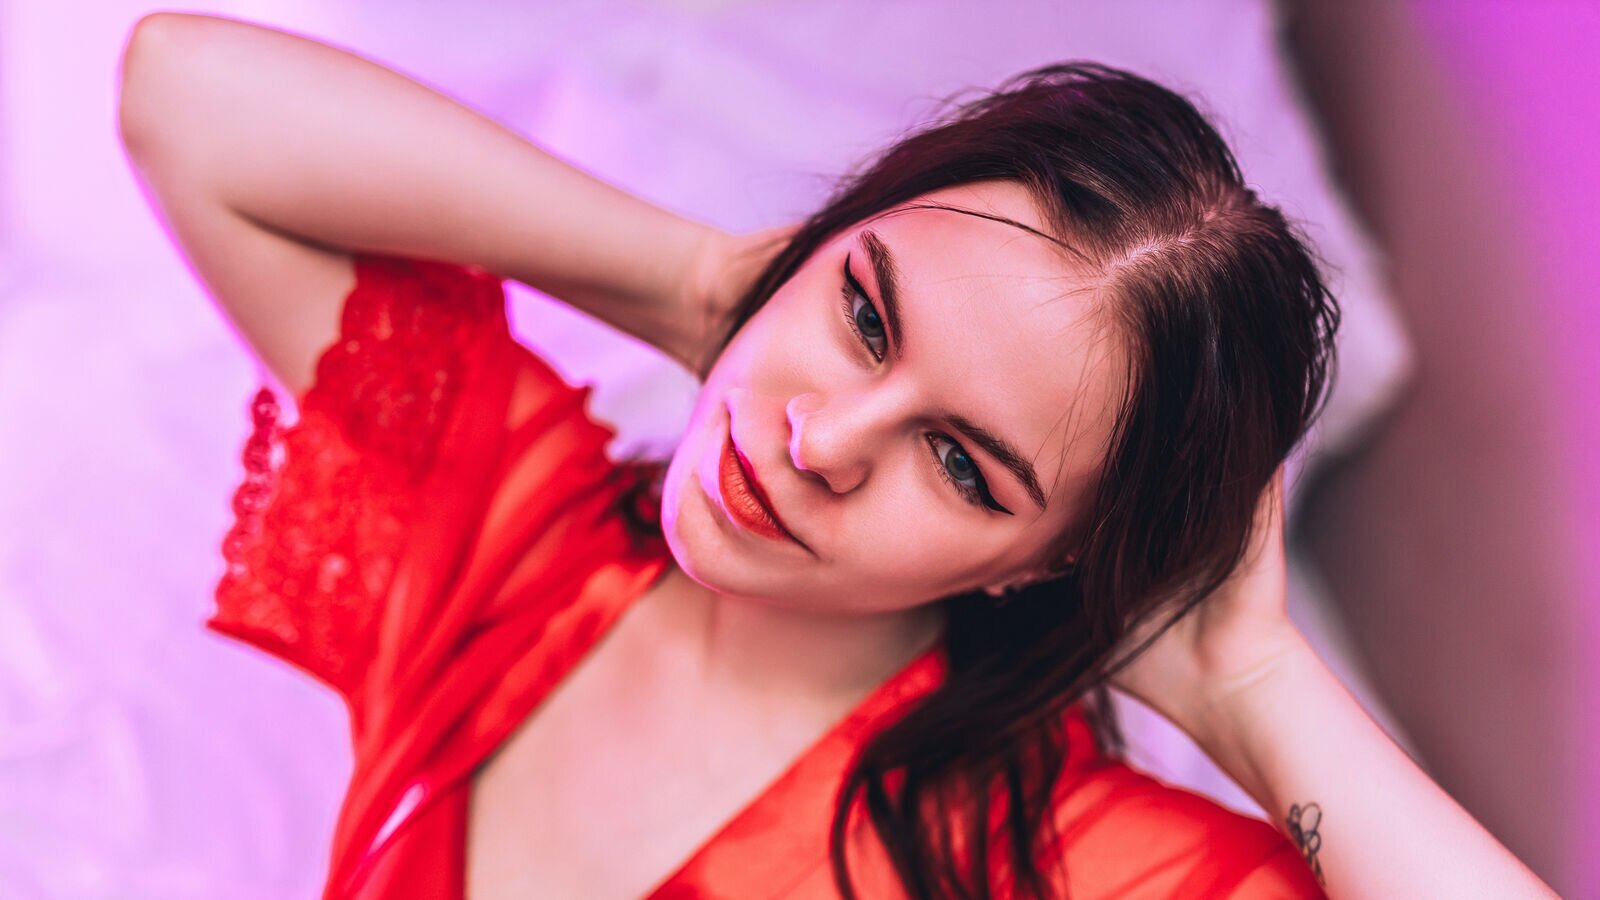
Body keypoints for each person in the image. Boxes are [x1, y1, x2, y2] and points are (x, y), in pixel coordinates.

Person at [117, 11, 1555, 900]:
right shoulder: (510, 542)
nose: (822, 439)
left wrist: (1253, 692)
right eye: (866, 315)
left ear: (1044, 561)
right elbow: (186, 94)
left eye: (965, 465)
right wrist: (695, 281)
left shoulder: (1047, 864)